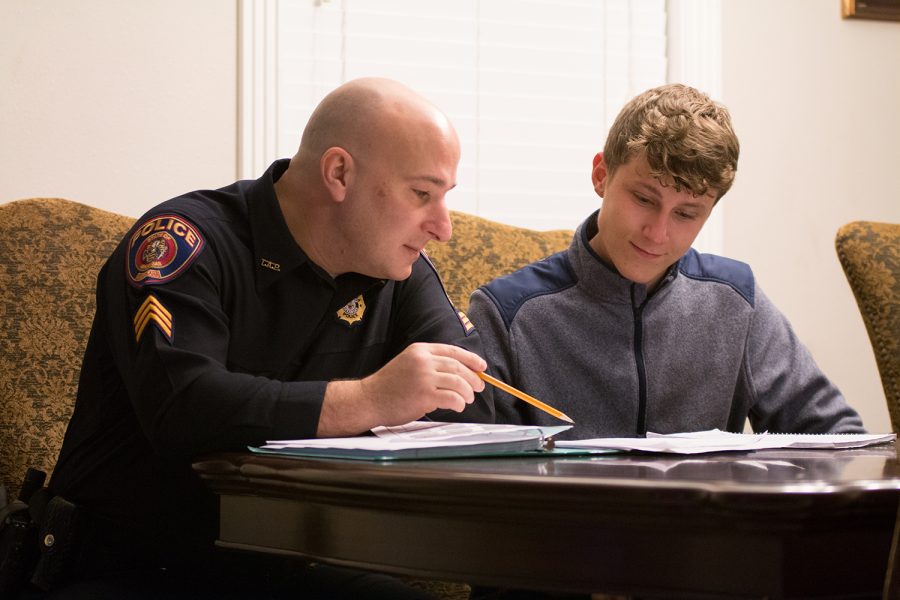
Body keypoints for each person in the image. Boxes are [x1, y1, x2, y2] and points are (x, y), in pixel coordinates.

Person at [28, 78, 492, 599]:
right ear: (339, 172)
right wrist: (371, 399)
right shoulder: (182, 242)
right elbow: (186, 407)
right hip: (126, 564)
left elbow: (471, 404)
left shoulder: (394, 270)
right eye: (422, 194)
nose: (443, 227)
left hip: (285, 564)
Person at [467, 83, 865, 442]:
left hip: (709, 522)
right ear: (601, 174)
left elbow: (841, 441)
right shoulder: (505, 314)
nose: (657, 234)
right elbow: (465, 480)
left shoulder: (737, 301)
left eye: (686, 214)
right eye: (643, 199)